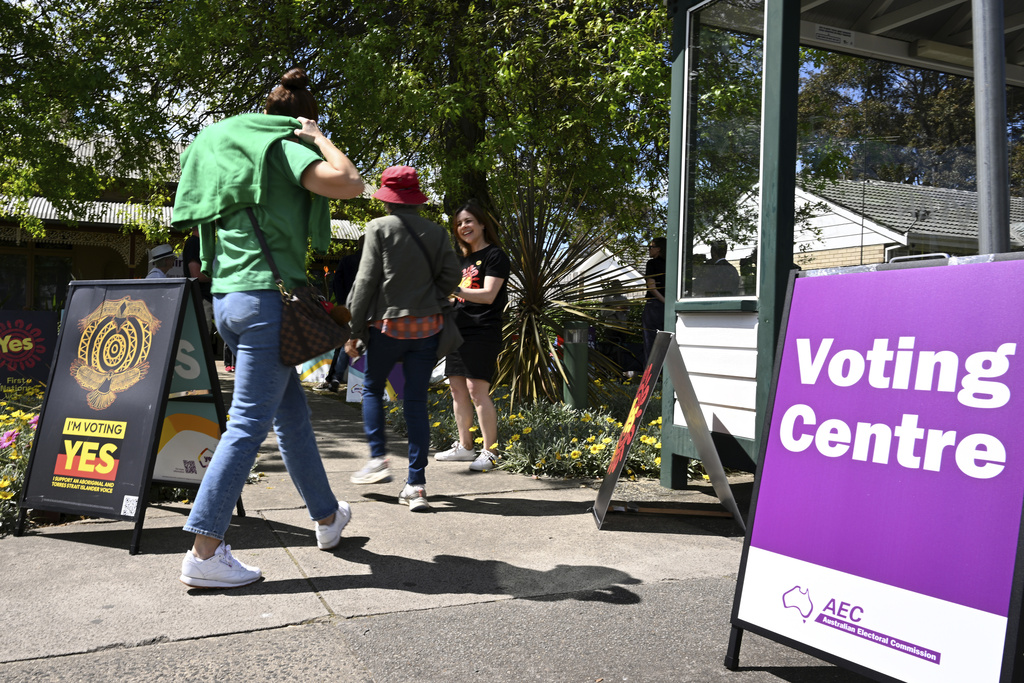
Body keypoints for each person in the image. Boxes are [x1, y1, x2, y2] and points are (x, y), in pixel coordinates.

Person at [171, 67, 365, 588]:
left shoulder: (224, 153)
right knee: (247, 425)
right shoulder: (284, 146)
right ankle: (204, 552)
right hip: (269, 304)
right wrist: (318, 137)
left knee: (292, 417)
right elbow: (350, 183)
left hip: (228, 303)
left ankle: (327, 517)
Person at [345, 166, 461, 512]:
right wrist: (430, 297)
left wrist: (353, 329)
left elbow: (365, 282)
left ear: (387, 199)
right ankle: (416, 485)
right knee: (415, 402)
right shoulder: (438, 232)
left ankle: (379, 458)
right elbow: (453, 275)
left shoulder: (378, 228)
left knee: (372, 387)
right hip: (427, 330)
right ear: (416, 198)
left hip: (388, 328)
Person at [433, 200, 510, 473]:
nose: (463, 227)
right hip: (458, 330)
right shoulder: (463, 260)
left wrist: (453, 288)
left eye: (468, 221)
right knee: (456, 390)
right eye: (459, 223)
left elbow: (488, 295)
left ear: (482, 224)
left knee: (478, 390)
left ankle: (490, 451)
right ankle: (465, 447)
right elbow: (458, 298)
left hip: (483, 330)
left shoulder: (495, 256)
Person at [318, 235, 364, 391]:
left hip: (347, 307)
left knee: (344, 341)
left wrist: (342, 303)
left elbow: (337, 283)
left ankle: (334, 377)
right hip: (367, 309)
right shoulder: (375, 261)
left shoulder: (347, 260)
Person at [182, 227, 215, 334]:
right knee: (202, 338)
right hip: (201, 300)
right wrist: (219, 277)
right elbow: (196, 274)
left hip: (203, 299)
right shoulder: (194, 243)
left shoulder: (199, 243)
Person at [642, 236, 667, 366]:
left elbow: (652, 287)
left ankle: (651, 376)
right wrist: (668, 304)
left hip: (655, 306)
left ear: (659, 249)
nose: (649, 250)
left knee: (650, 342)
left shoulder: (651, 264)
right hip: (666, 307)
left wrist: (663, 301)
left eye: (651, 247)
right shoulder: (671, 264)